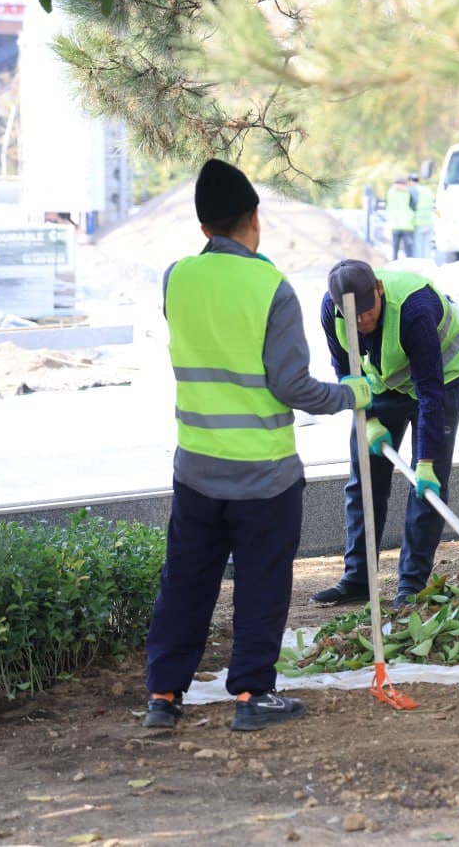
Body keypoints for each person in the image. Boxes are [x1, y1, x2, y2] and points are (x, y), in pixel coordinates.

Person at [143, 159, 372, 731]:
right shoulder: (273, 288)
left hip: (196, 469)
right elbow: (292, 387)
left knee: (186, 581)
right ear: (255, 219)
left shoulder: (175, 278)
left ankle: (163, 696)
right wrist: (351, 393)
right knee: (261, 584)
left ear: (203, 228)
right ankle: (252, 696)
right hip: (263, 475)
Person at [310, 259, 459, 608]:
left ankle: (410, 587)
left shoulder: (414, 309)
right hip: (382, 386)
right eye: (353, 316)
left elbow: (430, 393)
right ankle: (358, 579)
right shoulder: (330, 311)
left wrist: (425, 462)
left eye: (367, 311)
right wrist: (367, 420)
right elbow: (345, 370)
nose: (362, 321)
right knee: (364, 480)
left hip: (440, 381)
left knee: (426, 488)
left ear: (379, 289)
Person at [385, 176, 415, 260]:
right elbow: (413, 205)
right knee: (406, 250)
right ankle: (407, 264)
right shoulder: (407, 193)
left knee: (397, 249)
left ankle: (396, 264)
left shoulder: (391, 192)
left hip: (399, 225)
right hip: (405, 225)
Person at [409, 172, 435, 258]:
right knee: (427, 247)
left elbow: (412, 205)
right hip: (429, 222)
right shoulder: (427, 190)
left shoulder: (413, 190)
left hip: (419, 222)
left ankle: (419, 264)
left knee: (418, 247)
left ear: (410, 181)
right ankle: (426, 263)